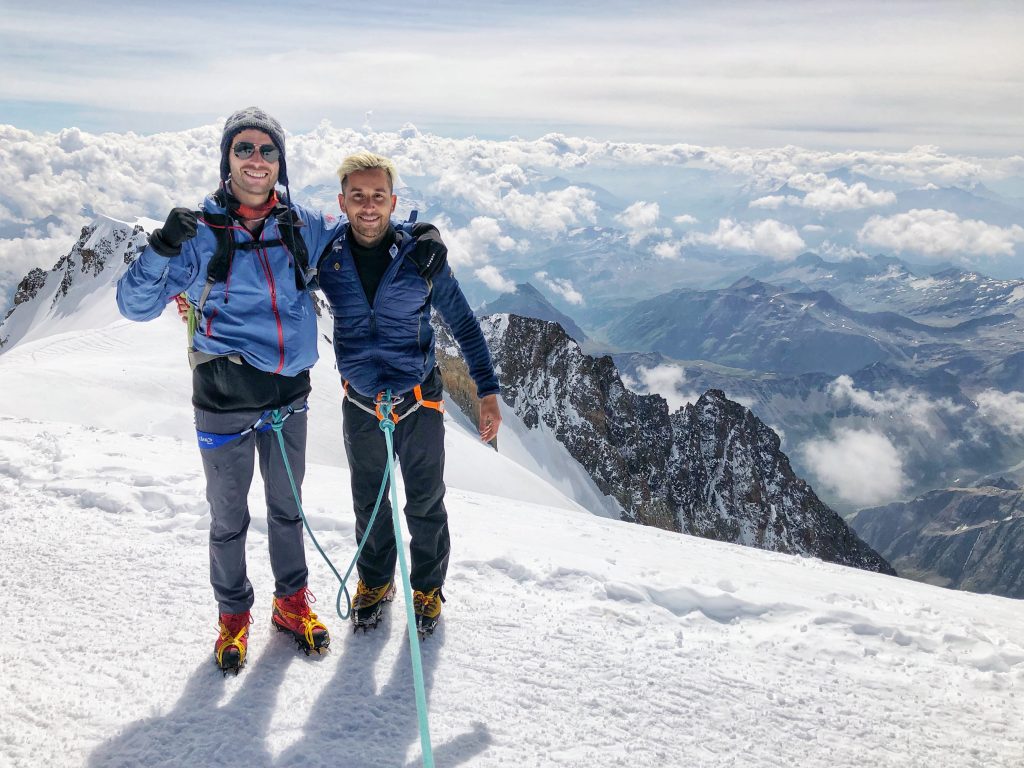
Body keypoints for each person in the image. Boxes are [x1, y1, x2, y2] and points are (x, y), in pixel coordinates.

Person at [116, 107, 338, 673]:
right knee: (228, 516)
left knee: (288, 510)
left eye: (267, 150)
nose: (256, 159)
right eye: (244, 149)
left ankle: (291, 605)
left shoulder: (301, 226)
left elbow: (360, 240)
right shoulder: (199, 234)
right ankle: (233, 616)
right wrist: (162, 247)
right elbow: (134, 305)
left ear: (280, 161)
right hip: (223, 400)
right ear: (226, 160)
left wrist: (412, 241)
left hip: (288, 397)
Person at [317, 151, 502, 638]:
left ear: (393, 201)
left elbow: (462, 321)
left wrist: (487, 391)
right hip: (361, 403)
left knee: (424, 501)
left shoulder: (421, 257)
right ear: (342, 202)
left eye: (378, 196)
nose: (369, 205)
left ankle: (427, 587)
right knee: (370, 504)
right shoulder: (328, 259)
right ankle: (376, 582)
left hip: (418, 402)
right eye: (358, 196)